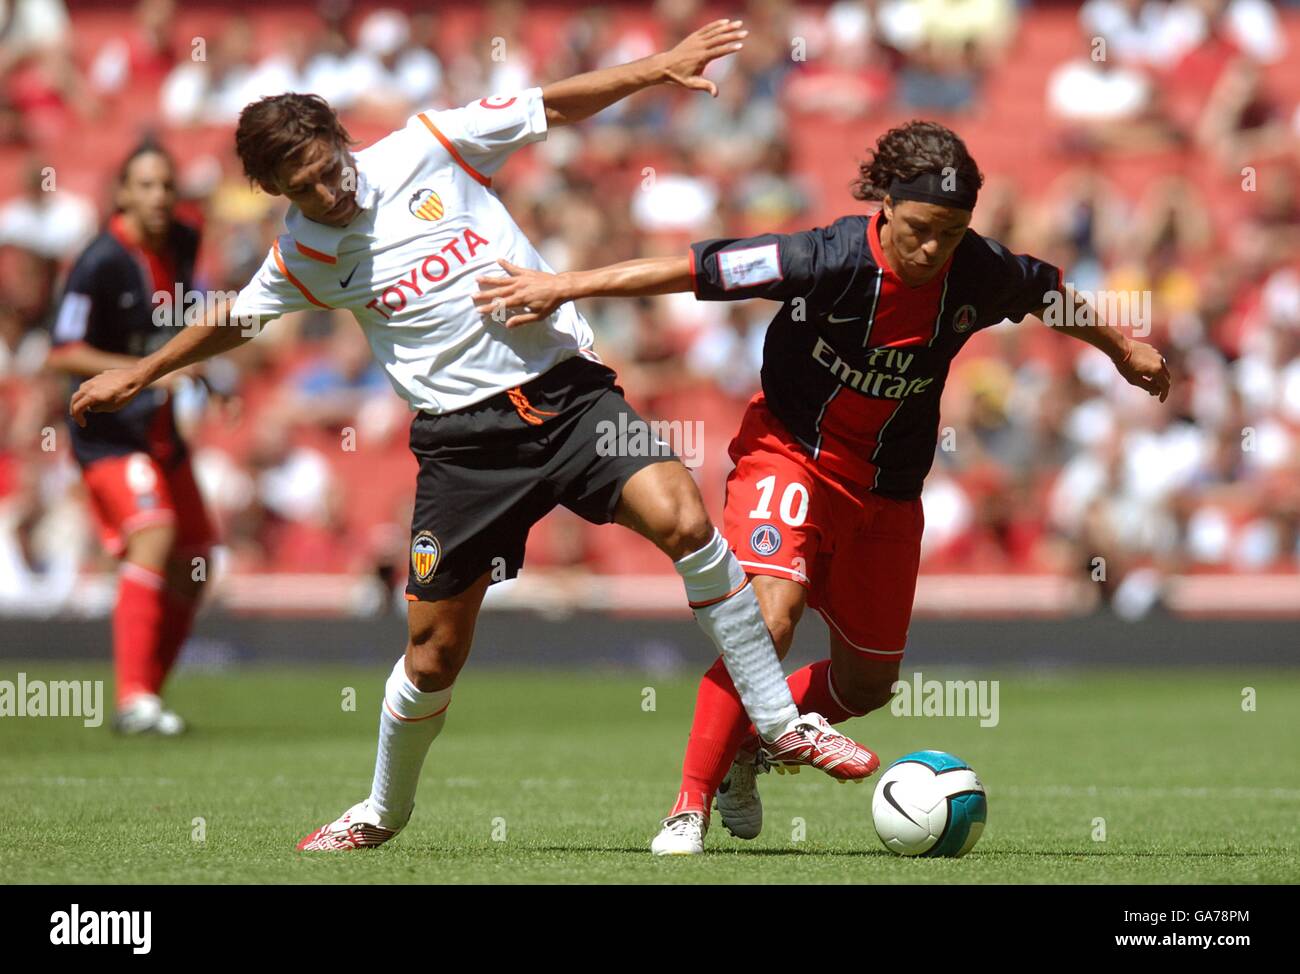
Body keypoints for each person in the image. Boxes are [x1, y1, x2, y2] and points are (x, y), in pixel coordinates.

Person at [69, 20, 879, 852]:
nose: (331, 191)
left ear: (342, 142)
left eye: (330, 168)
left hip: (568, 399)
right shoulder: (305, 253)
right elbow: (236, 318)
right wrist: (143, 372)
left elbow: (548, 106)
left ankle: (781, 723)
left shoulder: (428, 144)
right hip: (464, 447)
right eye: (307, 187)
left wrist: (658, 69)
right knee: (433, 654)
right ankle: (382, 811)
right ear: (280, 191)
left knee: (685, 520)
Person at [471, 119, 1174, 854]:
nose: (934, 248)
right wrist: (564, 285)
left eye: (953, 231)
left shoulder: (977, 268)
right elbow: (694, 269)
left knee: (868, 684)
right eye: (922, 229)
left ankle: (751, 745)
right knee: (768, 621)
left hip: (890, 491)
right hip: (790, 455)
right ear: (886, 209)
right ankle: (689, 806)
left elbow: (1048, 293)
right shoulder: (823, 258)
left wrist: (1123, 350)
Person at [48, 141, 216, 735]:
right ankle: (132, 699)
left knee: (196, 560)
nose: (159, 197)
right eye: (145, 185)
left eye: (167, 185)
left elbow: (176, 319)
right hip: (110, 437)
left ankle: (149, 696)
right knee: (155, 531)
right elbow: (63, 352)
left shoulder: (185, 241)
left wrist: (202, 370)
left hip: (163, 430)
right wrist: (146, 371)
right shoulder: (97, 262)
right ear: (122, 193)